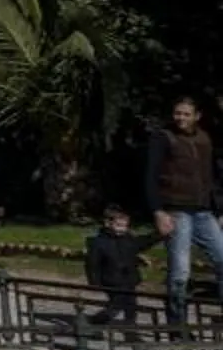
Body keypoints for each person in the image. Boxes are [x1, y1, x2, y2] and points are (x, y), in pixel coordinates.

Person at [144, 94, 223, 328]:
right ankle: (177, 324)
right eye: (178, 113)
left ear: (197, 116)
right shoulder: (163, 137)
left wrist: (219, 211)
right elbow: (151, 176)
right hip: (176, 211)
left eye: (186, 114)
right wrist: (158, 211)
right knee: (180, 271)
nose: (181, 118)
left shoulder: (205, 139)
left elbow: (212, 178)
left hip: (203, 211)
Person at [86, 205, 159, 328]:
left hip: (129, 278)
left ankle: (130, 324)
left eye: (125, 226)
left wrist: (157, 235)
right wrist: (94, 280)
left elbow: (142, 243)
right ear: (108, 224)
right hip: (111, 280)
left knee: (131, 304)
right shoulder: (99, 243)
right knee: (116, 304)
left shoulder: (128, 239)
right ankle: (96, 321)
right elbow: (92, 263)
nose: (122, 229)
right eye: (118, 225)